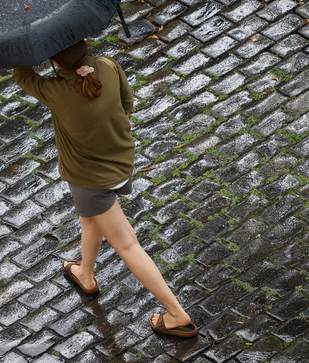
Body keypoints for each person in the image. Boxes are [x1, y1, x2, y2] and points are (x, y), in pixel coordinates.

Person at [12, 39, 198, 338]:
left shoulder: (57, 91)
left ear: (55, 62)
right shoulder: (109, 66)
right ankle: (85, 274)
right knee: (90, 219)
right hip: (121, 162)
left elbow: (23, 77)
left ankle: (176, 314)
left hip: (89, 180)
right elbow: (127, 105)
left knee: (127, 245)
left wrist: (22, 50)